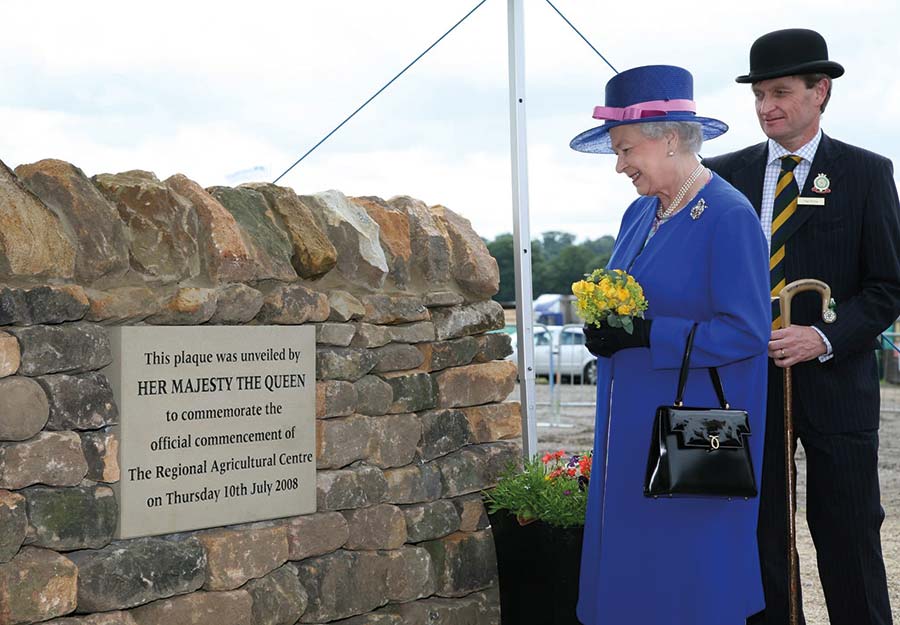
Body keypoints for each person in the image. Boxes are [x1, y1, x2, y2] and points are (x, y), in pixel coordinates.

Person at [704, 28, 900, 625]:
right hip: (744, 385)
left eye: (782, 92)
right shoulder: (719, 175)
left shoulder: (867, 173)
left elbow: (887, 287)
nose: (767, 107)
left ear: (821, 92)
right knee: (754, 529)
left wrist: (824, 337)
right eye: (760, 94)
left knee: (849, 531)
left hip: (838, 385)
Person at [569, 64, 771, 624]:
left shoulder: (727, 215)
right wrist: (606, 329)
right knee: (635, 569)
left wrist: (648, 334)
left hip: (693, 436)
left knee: (689, 574)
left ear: (672, 139)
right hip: (631, 425)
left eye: (627, 148)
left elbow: (748, 331)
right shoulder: (639, 212)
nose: (619, 165)